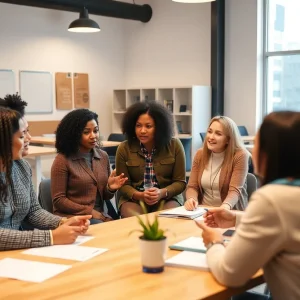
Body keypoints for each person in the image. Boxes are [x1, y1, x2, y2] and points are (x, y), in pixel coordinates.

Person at [196, 111, 300, 300]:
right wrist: (236, 218)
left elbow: (229, 274)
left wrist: (214, 241)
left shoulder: (272, 199)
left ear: (270, 153)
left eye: (257, 143)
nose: (251, 151)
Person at [0, 107, 91, 251]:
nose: (29, 138)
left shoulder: (22, 167)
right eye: (22, 135)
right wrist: (51, 237)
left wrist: (63, 222)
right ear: (3, 141)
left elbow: (33, 211)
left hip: (16, 252)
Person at [51, 108, 127, 224]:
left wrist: (110, 188)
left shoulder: (103, 156)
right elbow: (59, 200)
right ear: (74, 134)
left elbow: (105, 196)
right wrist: (90, 211)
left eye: (95, 131)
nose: (93, 136)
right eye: (86, 132)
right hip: (72, 217)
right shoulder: (62, 160)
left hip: (99, 215)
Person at [116, 101, 186, 218]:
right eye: (138, 125)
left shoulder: (174, 145)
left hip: (167, 197)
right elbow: (123, 185)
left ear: (159, 127)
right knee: (135, 222)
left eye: (148, 126)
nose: (142, 131)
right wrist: (140, 195)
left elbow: (180, 182)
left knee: (167, 219)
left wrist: (161, 193)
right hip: (135, 199)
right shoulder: (124, 148)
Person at [185, 116, 250, 211]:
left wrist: (224, 208)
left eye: (218, 134)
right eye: (210, 131)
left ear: (228, 139)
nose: (211, 137)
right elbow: (192, 187)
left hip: (230, 213)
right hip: (202, 212)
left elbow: (234, 191)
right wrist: (191, 199)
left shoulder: (240, 155)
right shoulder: (200, 154)